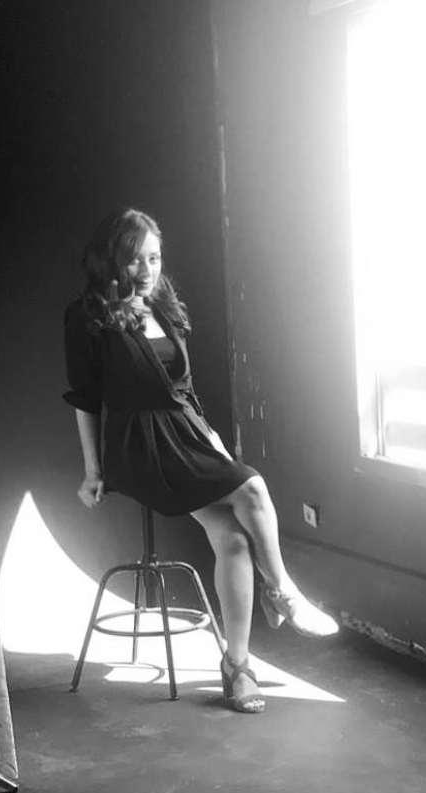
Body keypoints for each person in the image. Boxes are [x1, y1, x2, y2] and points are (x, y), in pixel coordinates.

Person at [63, 208, 339, 715]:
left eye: (154, 258)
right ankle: (283, 592)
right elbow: (85, 399)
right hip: (139, 446)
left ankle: (237, 667)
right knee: (252, 488)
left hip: (185, 436)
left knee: (233, 539)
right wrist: (93, 471)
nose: (147, 270)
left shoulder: (163, 306)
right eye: (135, 259)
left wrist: (212, 441)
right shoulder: (88, 318)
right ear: (111, 260)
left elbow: (183, 390)